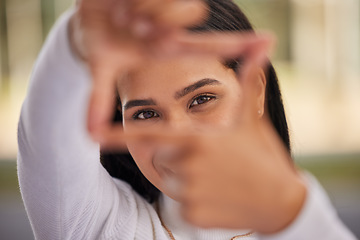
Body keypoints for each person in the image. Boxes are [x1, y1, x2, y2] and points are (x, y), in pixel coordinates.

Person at [17, 0, 357, 239]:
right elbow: (48, 138)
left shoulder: (301, 221)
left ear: (254, 91)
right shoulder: (102, 228)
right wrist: (76, 41)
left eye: (202, 99)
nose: (176, 136)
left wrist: (290, 213)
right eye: (146, 114)